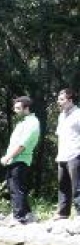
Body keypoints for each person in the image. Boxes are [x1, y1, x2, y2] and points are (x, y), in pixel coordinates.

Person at [0, 96, 40, 224]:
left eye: (18, 108)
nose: (15, 110)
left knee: (17, 189)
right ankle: (28, 214)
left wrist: (8, 157)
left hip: (20, 160)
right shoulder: (23, 122)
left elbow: (22, 145)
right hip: (14, 160)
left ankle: (19, 218)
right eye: (15, 107)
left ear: (26, 108)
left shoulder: (32, 123)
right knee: (14, 188)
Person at [55, 88, 80, 220]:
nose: (59, 102)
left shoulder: (78, 114)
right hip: (62, 155)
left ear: (70, 100)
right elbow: (59, 136)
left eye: (62, 99)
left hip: (76, 154)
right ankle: (63, 213)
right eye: (59, 99)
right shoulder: (61, 116)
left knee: (77, 187)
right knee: (63, 186)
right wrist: (58, 154)